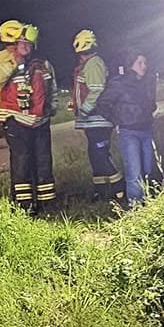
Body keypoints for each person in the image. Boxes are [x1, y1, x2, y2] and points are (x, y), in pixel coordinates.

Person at [0, 20, 55, 211]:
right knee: (22, 162)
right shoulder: (5, 57)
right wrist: (13, 63)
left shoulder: (43, 63)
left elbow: (52, 88)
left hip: (40, 121)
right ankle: (24, 205)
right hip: (15, 120)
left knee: (43, 162)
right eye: (21, 42)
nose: (25, 46)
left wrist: (51, 109)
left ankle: (46, 203)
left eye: (28, 43)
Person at [71, 29, 122, 203]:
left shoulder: (93, 64)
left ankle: (118, 187)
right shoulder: (91, 63)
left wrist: (84, 109)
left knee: (100, 153)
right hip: (93, 120)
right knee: (95, 153)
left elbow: (97, 90)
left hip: (97, 119)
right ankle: (101, 190)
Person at [108, 52, 158, 206]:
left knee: (148, 170)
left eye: (145, 62)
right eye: (140, 63)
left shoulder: (148, 82)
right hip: (128, 132)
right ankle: (136, 207)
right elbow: (103, 103)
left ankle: (148, 202)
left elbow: (152, 103)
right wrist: (117, 119)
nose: (144, 66)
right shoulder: (119, 83)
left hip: (146, 130)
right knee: (134, 172)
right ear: (131, 64)